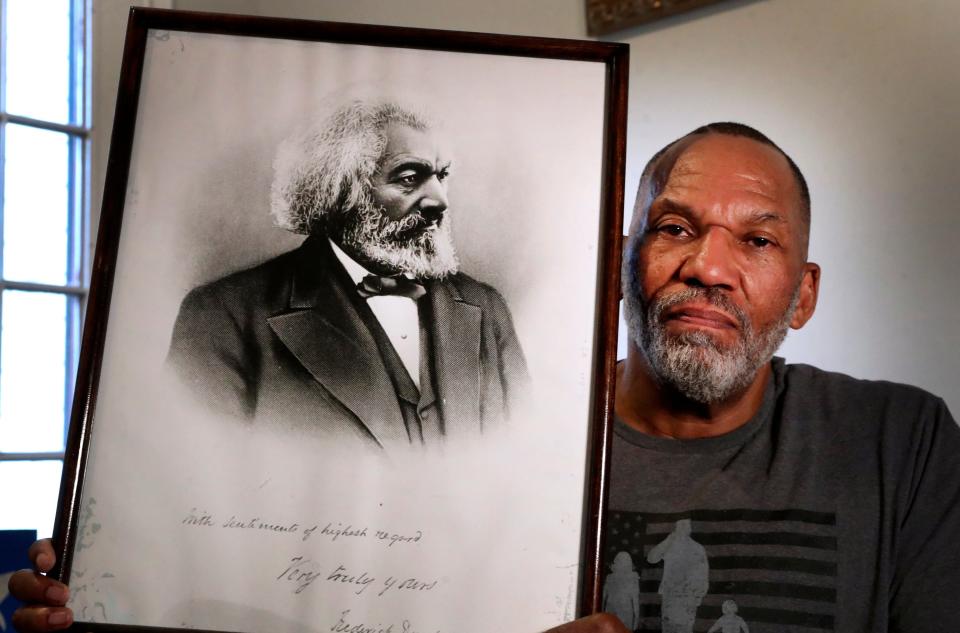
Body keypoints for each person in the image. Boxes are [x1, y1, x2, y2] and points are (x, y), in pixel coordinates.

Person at [9, 123, 960, 632]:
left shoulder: (898, 443)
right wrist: (117, 585)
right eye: (675, 227)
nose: (709, 264)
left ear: (803, 293)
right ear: (622, 261)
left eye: (757, 240)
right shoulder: (507, 436)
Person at [166, 97, 528, 449]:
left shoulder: (486, 307)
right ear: (340, 191)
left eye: (441, 175)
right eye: (409, 177)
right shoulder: (223, 317)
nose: (439, 200)